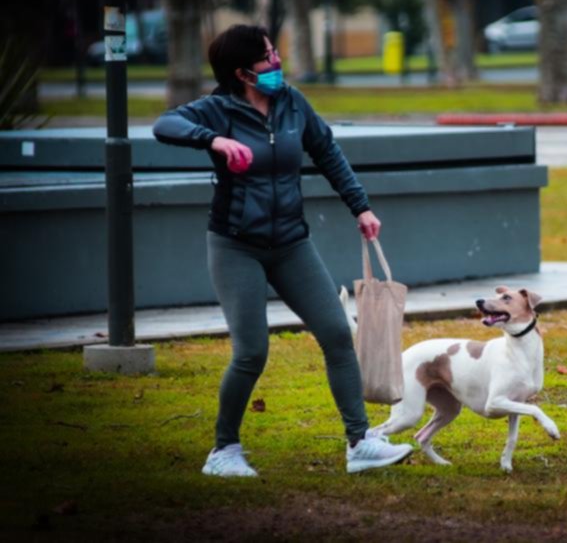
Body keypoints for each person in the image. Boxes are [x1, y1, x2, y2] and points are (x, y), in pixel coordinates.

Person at [153, 24, 412, 476]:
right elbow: (165, 124)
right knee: (252, 351)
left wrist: (361, 207)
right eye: (266, 57)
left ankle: (360, 443)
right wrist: (212, 139)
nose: (276, 62)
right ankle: (223, 451)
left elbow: (327, 152)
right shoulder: (217, 110)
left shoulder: (292, 102)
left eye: (274, 52)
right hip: (236, 246)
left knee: (336, 333)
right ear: (242, 73)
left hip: (292, 243)